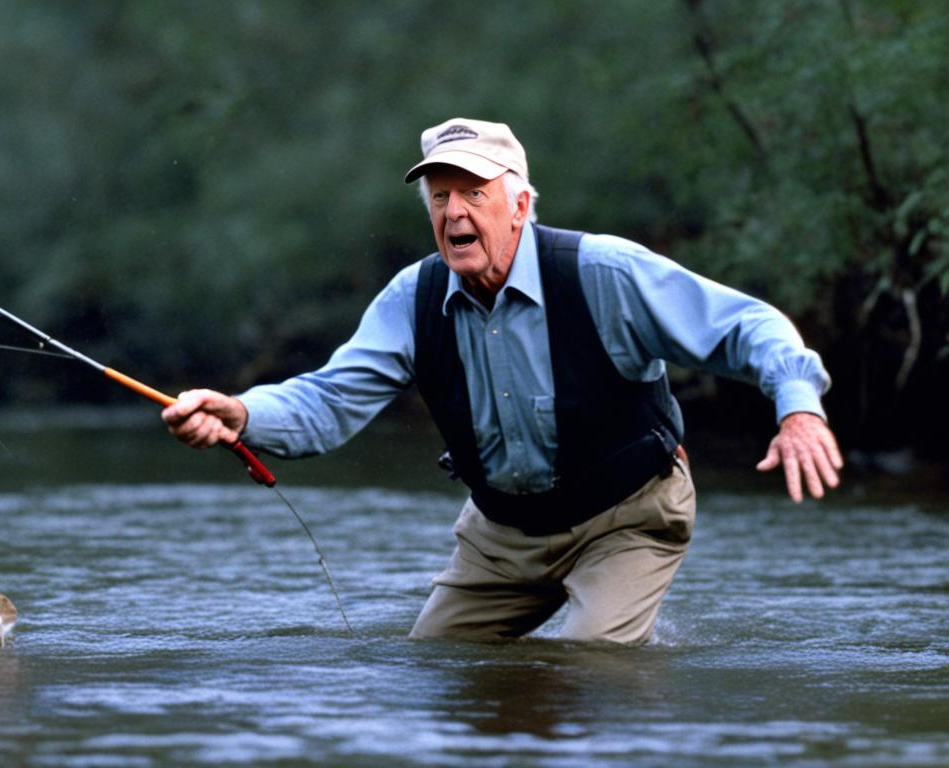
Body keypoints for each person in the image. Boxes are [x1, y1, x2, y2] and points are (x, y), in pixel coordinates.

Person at [161, 118, 843, 644]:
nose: (454, 212)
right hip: (502, 531)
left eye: (473, 194)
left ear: (519, 205)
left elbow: (746, 327)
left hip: (628, 518)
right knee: (439, 664)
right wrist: (241, 415)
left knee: (588, 665)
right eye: (440, 196)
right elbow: (331, 398)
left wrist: (798, 409)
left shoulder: (603, 272)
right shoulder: (414, 297)